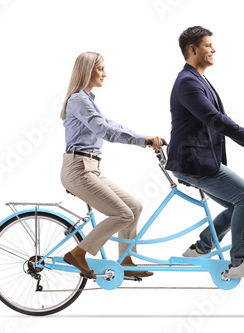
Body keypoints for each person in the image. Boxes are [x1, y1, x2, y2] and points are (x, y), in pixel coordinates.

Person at [165, 26, 244, 278]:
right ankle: (239, 262)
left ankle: (201, 247)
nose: (214, 49)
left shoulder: (197, 79)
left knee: (240, 204)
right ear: (193, 49)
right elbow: (214, 119)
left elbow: (218, 119)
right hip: (193, 161)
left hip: (203, 159)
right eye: (208, 45)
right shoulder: (187, 83)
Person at [60, 51, 163, 279]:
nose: (105, 74)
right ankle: (78, 253)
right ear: (88, 70)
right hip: (78, 169)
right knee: (123, 214)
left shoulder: (88, 101)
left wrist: (144, 138)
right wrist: (142, 140)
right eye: (101, 69)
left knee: (133, 207)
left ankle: (125, 260)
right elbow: (104, 131)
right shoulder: (79, 100)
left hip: (91, 168)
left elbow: (111, 124)